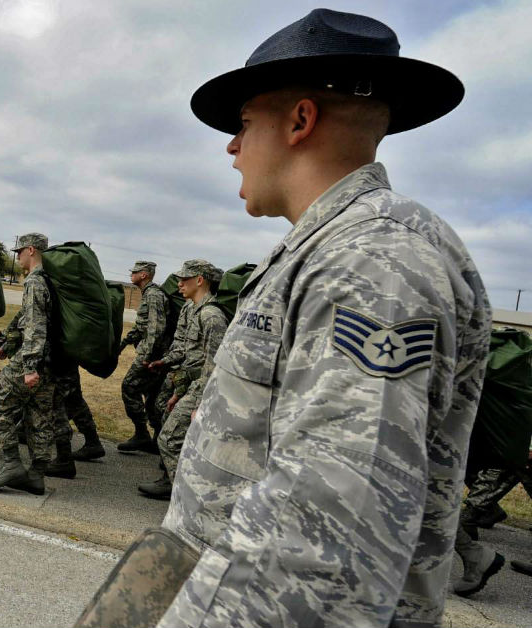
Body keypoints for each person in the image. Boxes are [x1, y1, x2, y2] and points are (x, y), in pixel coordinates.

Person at [101, 10, 491, 627]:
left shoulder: (373, 261)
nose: (232, 147)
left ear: (300, 121)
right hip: (204, 579)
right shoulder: (324, 248)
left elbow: (325, 543)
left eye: (244, 124)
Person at [0, 233, 55, 495]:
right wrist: (6, 344)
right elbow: (26, 319)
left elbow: (35, 326)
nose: (17, 257)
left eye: (19, 252)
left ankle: (12, 464)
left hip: (33, 358)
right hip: (51, 360)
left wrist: (29, 367)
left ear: (31, 250)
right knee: (39, 416)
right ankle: (36, 475)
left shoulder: (35, 281)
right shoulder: (50, 280)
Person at [139, 260, 225, 500]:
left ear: (200, 280)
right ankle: (173, 482)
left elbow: (214, 367)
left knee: (169, 438)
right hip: (189, 383)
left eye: (184, 279)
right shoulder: (193, 310)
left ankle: (185, 496)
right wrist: (168, 368)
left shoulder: (211, 316)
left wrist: (200, 403)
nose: (179, 283)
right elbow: (188, 353)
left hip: (202, 389)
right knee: (169, 426)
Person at [115, 260, 169, 456]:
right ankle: (158, 441)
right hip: (154, 353)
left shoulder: (153, 295)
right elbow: (141, 327)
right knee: (152, 397)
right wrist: (122, 344)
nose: (132, 274)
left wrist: (148, 356)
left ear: (144, 275)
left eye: (135, 272)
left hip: (152, 354)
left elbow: (156, 328)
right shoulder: (148, 294)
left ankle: (141, 434)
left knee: (129, 387)